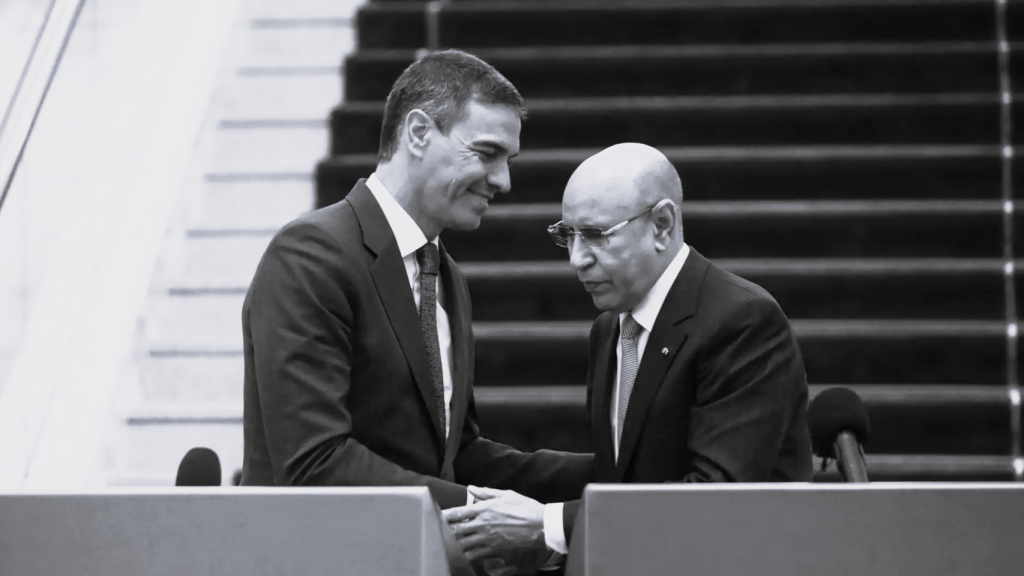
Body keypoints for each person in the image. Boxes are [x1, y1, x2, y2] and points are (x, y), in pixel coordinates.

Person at [239, 50, 592, 522]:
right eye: (487, 153)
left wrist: (612, 474)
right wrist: (478, 510)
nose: (503, 181)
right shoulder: (311, 256)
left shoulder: (445, 276)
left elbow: (456, 458)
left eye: (508, 160)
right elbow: (313, 463)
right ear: (419, 132)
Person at [445, 143, 814, 563]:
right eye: (568, 235)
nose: (577, 260)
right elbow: (624, 475)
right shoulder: (610, 327)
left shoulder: (742, 320)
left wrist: (548, 526)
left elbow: (716, 496)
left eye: (596, 235)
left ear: (661, 224)